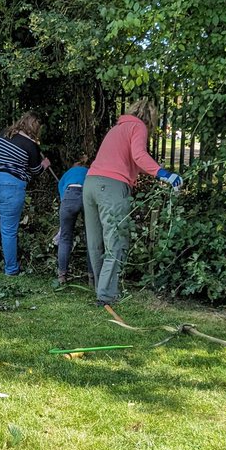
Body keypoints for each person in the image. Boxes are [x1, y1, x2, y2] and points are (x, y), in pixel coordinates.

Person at [82, 97, 182, 306]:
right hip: (111, 187)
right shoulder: (138, 127)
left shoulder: (116, 128)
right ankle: (106, 297)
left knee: (95, 241)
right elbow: (139, 155)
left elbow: (133, 159)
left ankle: (100, 288)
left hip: (90, 183)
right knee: (115, 241)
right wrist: (164, 174)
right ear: (150, 118)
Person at [0, 112, 51, 276]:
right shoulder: (31, 146)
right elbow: (35, 171)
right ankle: (11, 269)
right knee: (8, 230)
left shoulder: (4, 133)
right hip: (9, 186)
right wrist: (45, 164)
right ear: (36, 128)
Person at [55, 155, 92, 285]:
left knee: (65, 238)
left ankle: (62, 276)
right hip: (86, 195)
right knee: (91, 238)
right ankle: (92, 277)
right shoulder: (90, 172)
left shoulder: (67, 173)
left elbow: (62, 193)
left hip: (69, 195)